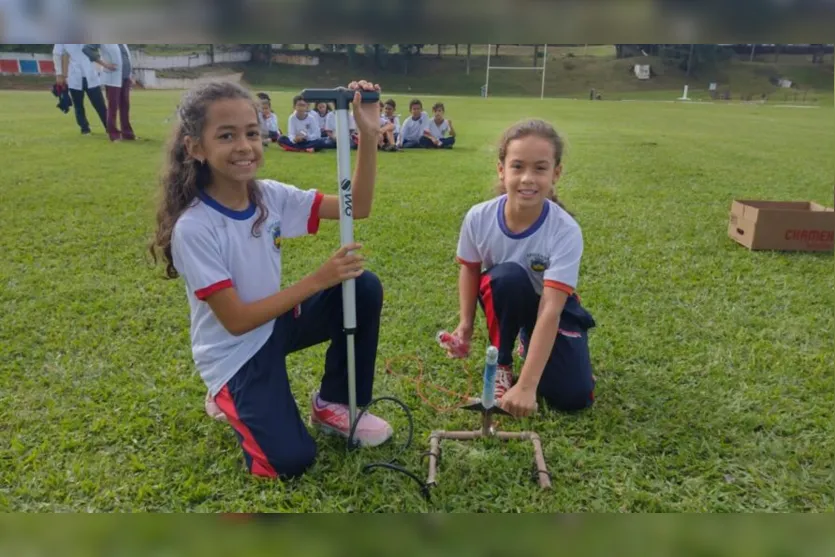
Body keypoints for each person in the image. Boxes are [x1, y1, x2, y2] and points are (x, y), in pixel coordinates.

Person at [148, 79, 392, 479]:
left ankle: (334, 404)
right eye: (226, 136)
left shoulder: (269, 196)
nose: (244, 146)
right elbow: (238, 320)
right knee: (290, 462)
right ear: (195, 148)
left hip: (274, 325)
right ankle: (225, 394)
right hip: (235, 351)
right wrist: (317, 279)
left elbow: (357, 206)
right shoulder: (194, 228)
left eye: (252, 133)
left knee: (361, 287)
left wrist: (367, 134)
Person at [446, 119, 596, 418]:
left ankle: (528, 346)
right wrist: (465, 326)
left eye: (540, 168)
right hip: (509, 298)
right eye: (518, 166)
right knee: (507, 277)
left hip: (551, 308)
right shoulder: (479, 217)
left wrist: (527, 385)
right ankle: (502, 362)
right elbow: (471, 270)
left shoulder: (565, 230)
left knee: (574, 396)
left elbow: (551, 309)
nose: (528, 178)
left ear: (556, 173)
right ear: (502, 169)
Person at [81, 44, 137, 141]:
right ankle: (113, 134)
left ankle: (127, 134)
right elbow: (86, 49)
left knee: (125, 106)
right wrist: (104, 64)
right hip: (112, 78)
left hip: (125, 78)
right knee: (113, 106)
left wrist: (130, 75)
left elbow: (125, 57)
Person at [52, 43, 107, 135]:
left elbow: (101, 50)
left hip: (91, 74)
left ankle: (109, 127)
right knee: (78, 105)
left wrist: (102, 69)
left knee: (100, 104)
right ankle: (84, 128)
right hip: (74, 75)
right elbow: (57, 54)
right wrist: (59, 74)